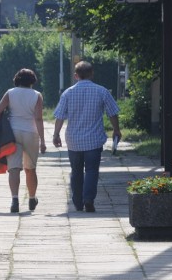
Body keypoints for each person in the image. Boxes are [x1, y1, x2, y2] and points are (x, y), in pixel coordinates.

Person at [52, 61, 122, 212]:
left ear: (76, 76)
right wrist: (116, 130)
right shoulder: (102, 91)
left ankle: (77, 202)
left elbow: (60, 116)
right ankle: (88, 199)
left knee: (76, 171)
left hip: (74, 140)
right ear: (92, 74)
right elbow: (112, 113)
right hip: (94, 140)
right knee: (91, 170)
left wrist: (56, 134)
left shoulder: (68, 93)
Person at [0, 68, 47, 213]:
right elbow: (38, 118)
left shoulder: (10, 93)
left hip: (13, 133)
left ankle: (15, 199)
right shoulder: (37, 95)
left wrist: (3, 121)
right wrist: (42, 141)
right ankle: (31, 198)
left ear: (17, 79)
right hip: (31, 133)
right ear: (33, 81)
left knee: (14, 168)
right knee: (30, 169)